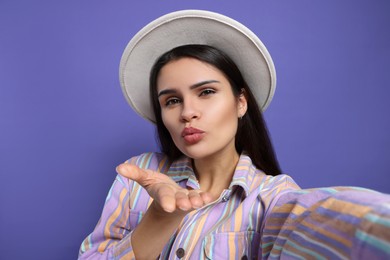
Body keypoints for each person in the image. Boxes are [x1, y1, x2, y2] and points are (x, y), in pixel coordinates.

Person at [79, 10, 390, 259]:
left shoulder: (270, 198)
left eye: (206, 92)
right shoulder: (137, 179)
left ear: (241, 102)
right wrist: (160, 217)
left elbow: (325, 221)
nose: (187, 112)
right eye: (171, 100)